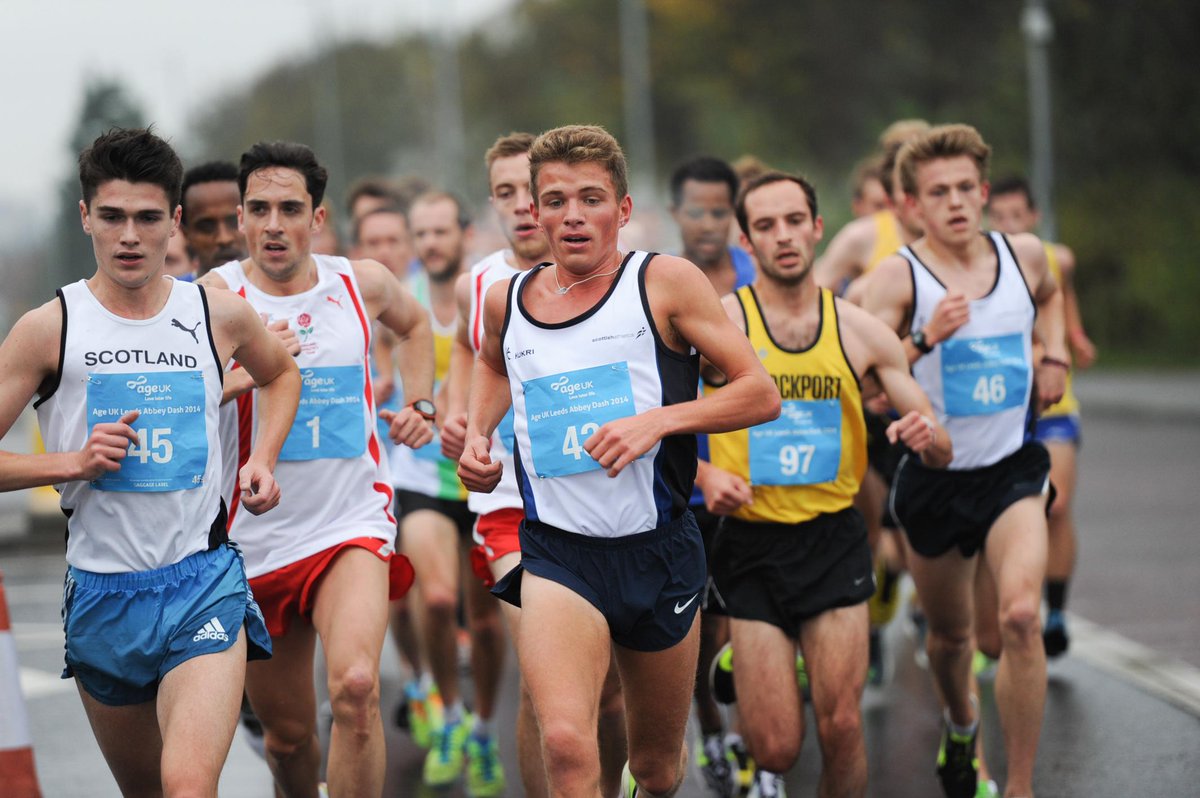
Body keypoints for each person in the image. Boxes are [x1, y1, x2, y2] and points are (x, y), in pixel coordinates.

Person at [458, 124, 779, 798]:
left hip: (658, 553)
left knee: (657, 768)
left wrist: (659, 421)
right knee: (568, 745)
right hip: (558, 553)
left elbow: (759, 392)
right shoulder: (506, 300)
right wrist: (480, 437)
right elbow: (492, 362)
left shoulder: (664, 283)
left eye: (590, 199)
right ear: (535, 212)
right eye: (554, 201)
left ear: (623, 210)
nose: (571, 216)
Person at [0, 127, 300, 796]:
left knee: (188, 785)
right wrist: (72, 462)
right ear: (86, 218)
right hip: (104, 596)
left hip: (202, 582)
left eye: (146, 218)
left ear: (176, 222)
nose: (129, 236)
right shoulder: (49, 328)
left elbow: (281, 375)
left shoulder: (218, 314)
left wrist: (263, 459)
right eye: (111, 217)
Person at [703, 171, 951, 798]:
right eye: (766, 225)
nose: (783, 236)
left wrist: (927, 436)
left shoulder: (861, 332)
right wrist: (704, 473)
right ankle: (743, 665)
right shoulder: (720, 325)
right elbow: (662, 416)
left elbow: (940, 444)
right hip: (750, 542)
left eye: (794, 221)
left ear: (817, 229)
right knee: (777, 748)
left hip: (833, 541)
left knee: (841, 726)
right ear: (746, 238)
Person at [200, 140, 435, 798]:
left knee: (356, 690)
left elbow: (415, 328)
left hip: (349, 521)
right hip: (254, 539)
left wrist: (422, 404)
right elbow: (189, 400)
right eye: (260, 209)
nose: (275, 224)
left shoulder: (359, 283)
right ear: (242, 219)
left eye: (290, 209)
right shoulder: (214, 299)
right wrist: (253, 371)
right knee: (290, 737)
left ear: (318, 218)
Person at [861, 124, 1068, 798]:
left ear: (982, 191)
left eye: (963, 189)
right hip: (936, 481)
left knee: (1017, 619)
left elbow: (1051, 293)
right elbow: (862, 384)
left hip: (1012, 470)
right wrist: (925, 337)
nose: (954, 203)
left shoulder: (1026, 255)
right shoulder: (897, 277)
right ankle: (960, 727)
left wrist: (1056, 353)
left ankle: (1020, 787)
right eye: (936, 192)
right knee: (950, 643)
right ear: (913, 206)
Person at [441, 131, 629, 798]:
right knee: (545, 687)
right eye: (506, 193)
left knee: (605, 694)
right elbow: (473, 355)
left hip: (597, 501)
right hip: (510, 511)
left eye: (533, 191)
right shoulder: (482, 284)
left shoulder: (616, 278)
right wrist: (465, 420)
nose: (523, 207)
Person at [392, 189, 509, 792]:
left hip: (484, 483)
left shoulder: (485, 296)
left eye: (442, 231)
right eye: (422, 233)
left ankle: (485, 730)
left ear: (464, 232)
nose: (431, 243)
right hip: (420, 480)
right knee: (436, 600)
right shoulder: (398, 300)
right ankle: (449, 715)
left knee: (487, 624)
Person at [667, 154, 756, 794]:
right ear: (676, 213)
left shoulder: (761, 278)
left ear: (735, 213)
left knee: (746, 626)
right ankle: (712, 726)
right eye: (694, 209)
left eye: (718, 210)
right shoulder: (663, 285)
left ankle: (752, 732)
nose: (706, 221)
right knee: (701, 630)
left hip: (769, 478)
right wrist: (698, 470)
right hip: (696, 484)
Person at [987, 176, 1096, 657]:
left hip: (1054, 403)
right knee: (997, 513)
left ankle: (1055, 612)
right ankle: (999, 614)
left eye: (1018, 216)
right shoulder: (979, 265)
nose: (1009, 226)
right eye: (1001, 217)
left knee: (1057, 503)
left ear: (1034, 217)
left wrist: (1073, 334)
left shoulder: (1057, 258)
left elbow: (1060, 294)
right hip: (1000, 406)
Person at [180, 160, 247, 277]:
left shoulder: (285, 293)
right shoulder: (171, 295)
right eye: (207, 227)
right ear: (185, 234)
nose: (224, 239)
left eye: (235, 222)